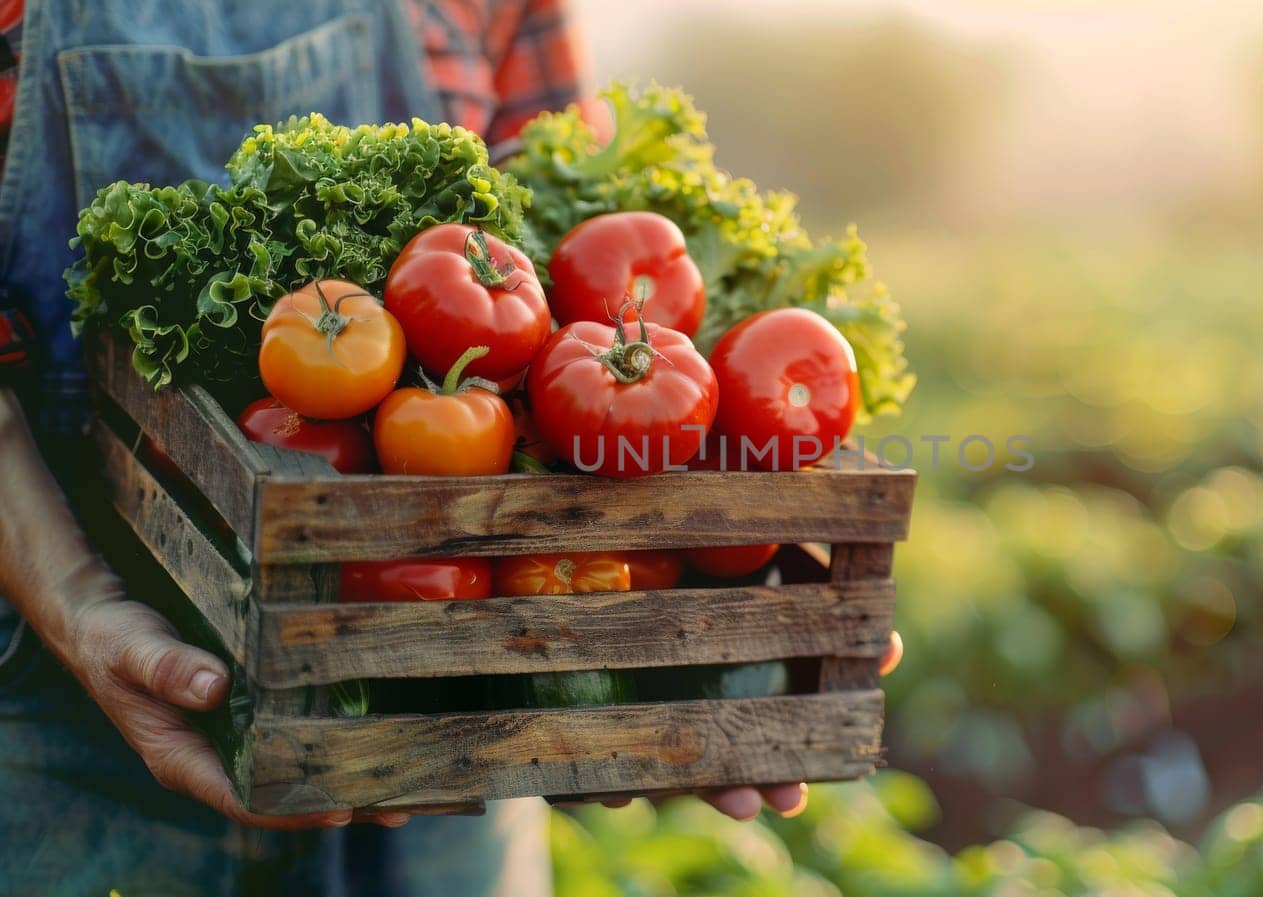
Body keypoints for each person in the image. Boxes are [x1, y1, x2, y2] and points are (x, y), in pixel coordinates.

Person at [0, 1, 877, 893]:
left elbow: (558, 185)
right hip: (63, 697)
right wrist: (70, 600)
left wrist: (583, 683)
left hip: (457, 731)